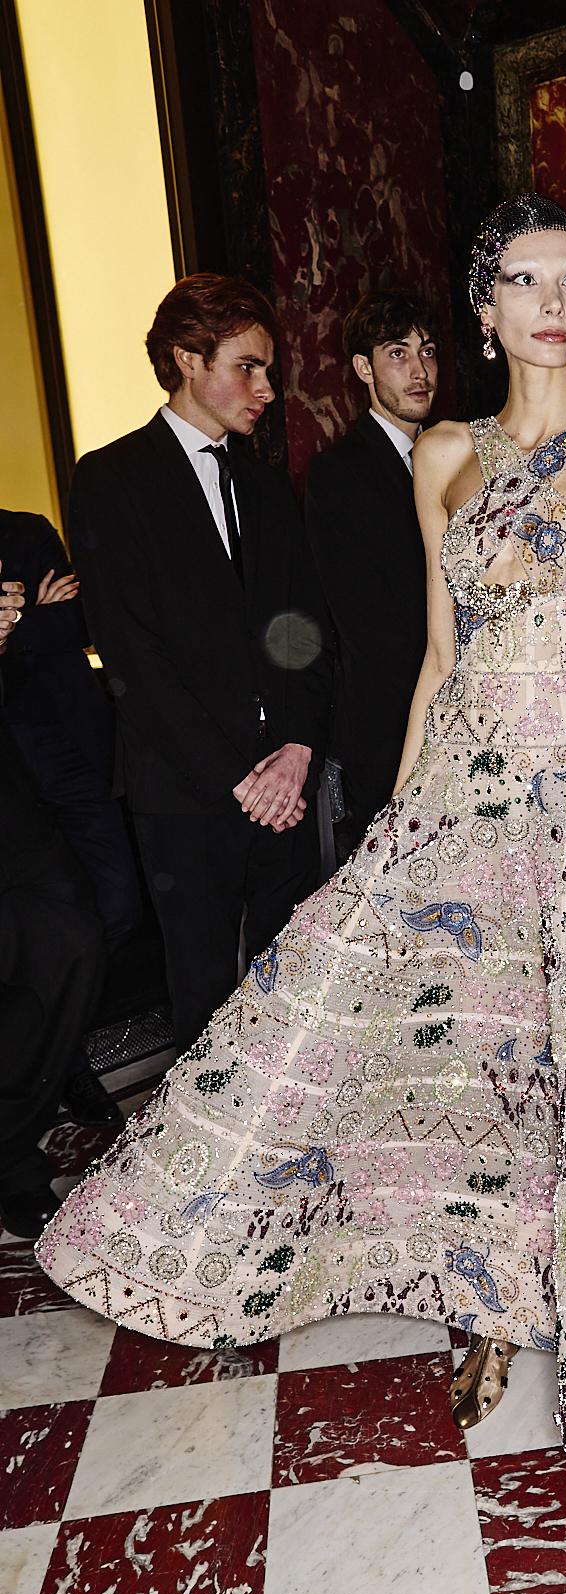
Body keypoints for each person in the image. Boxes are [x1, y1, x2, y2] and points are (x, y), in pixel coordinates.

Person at [38, 196, 566, 1457]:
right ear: (485, 310)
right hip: (460, 789)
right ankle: (485, 1297)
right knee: (473, 1049)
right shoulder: (444, 454)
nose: (556, 304)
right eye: (527, 281)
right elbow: (439, 661)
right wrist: (395, 825)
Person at [65, 274, 334, 1058]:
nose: (267, 389)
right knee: (207, 1004)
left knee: (293, 992)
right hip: (187, 791)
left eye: (268, 369)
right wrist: (239, 778)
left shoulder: (264, 483)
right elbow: (134, 658)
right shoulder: (112, 479)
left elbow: (303, 632)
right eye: (247, 367)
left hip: (284, 783)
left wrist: (296, 749)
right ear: (188, 359)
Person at [1, 509, 140, 1129]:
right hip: (12, 782)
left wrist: (17, 622)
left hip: (71, 755)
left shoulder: (27, 531)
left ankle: (56, 1040)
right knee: (36, 931)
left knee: (119, 905)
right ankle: (64, 1064)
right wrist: (36, 612)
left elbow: (80, 619)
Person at [305, 291, 439, 862]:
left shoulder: (462, 461)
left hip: (472, 716)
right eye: (397, 354)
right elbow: (365, 627)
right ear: (364, 369)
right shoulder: (339, 474)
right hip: (388, 729)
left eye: (427, 351)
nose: (419, 371)